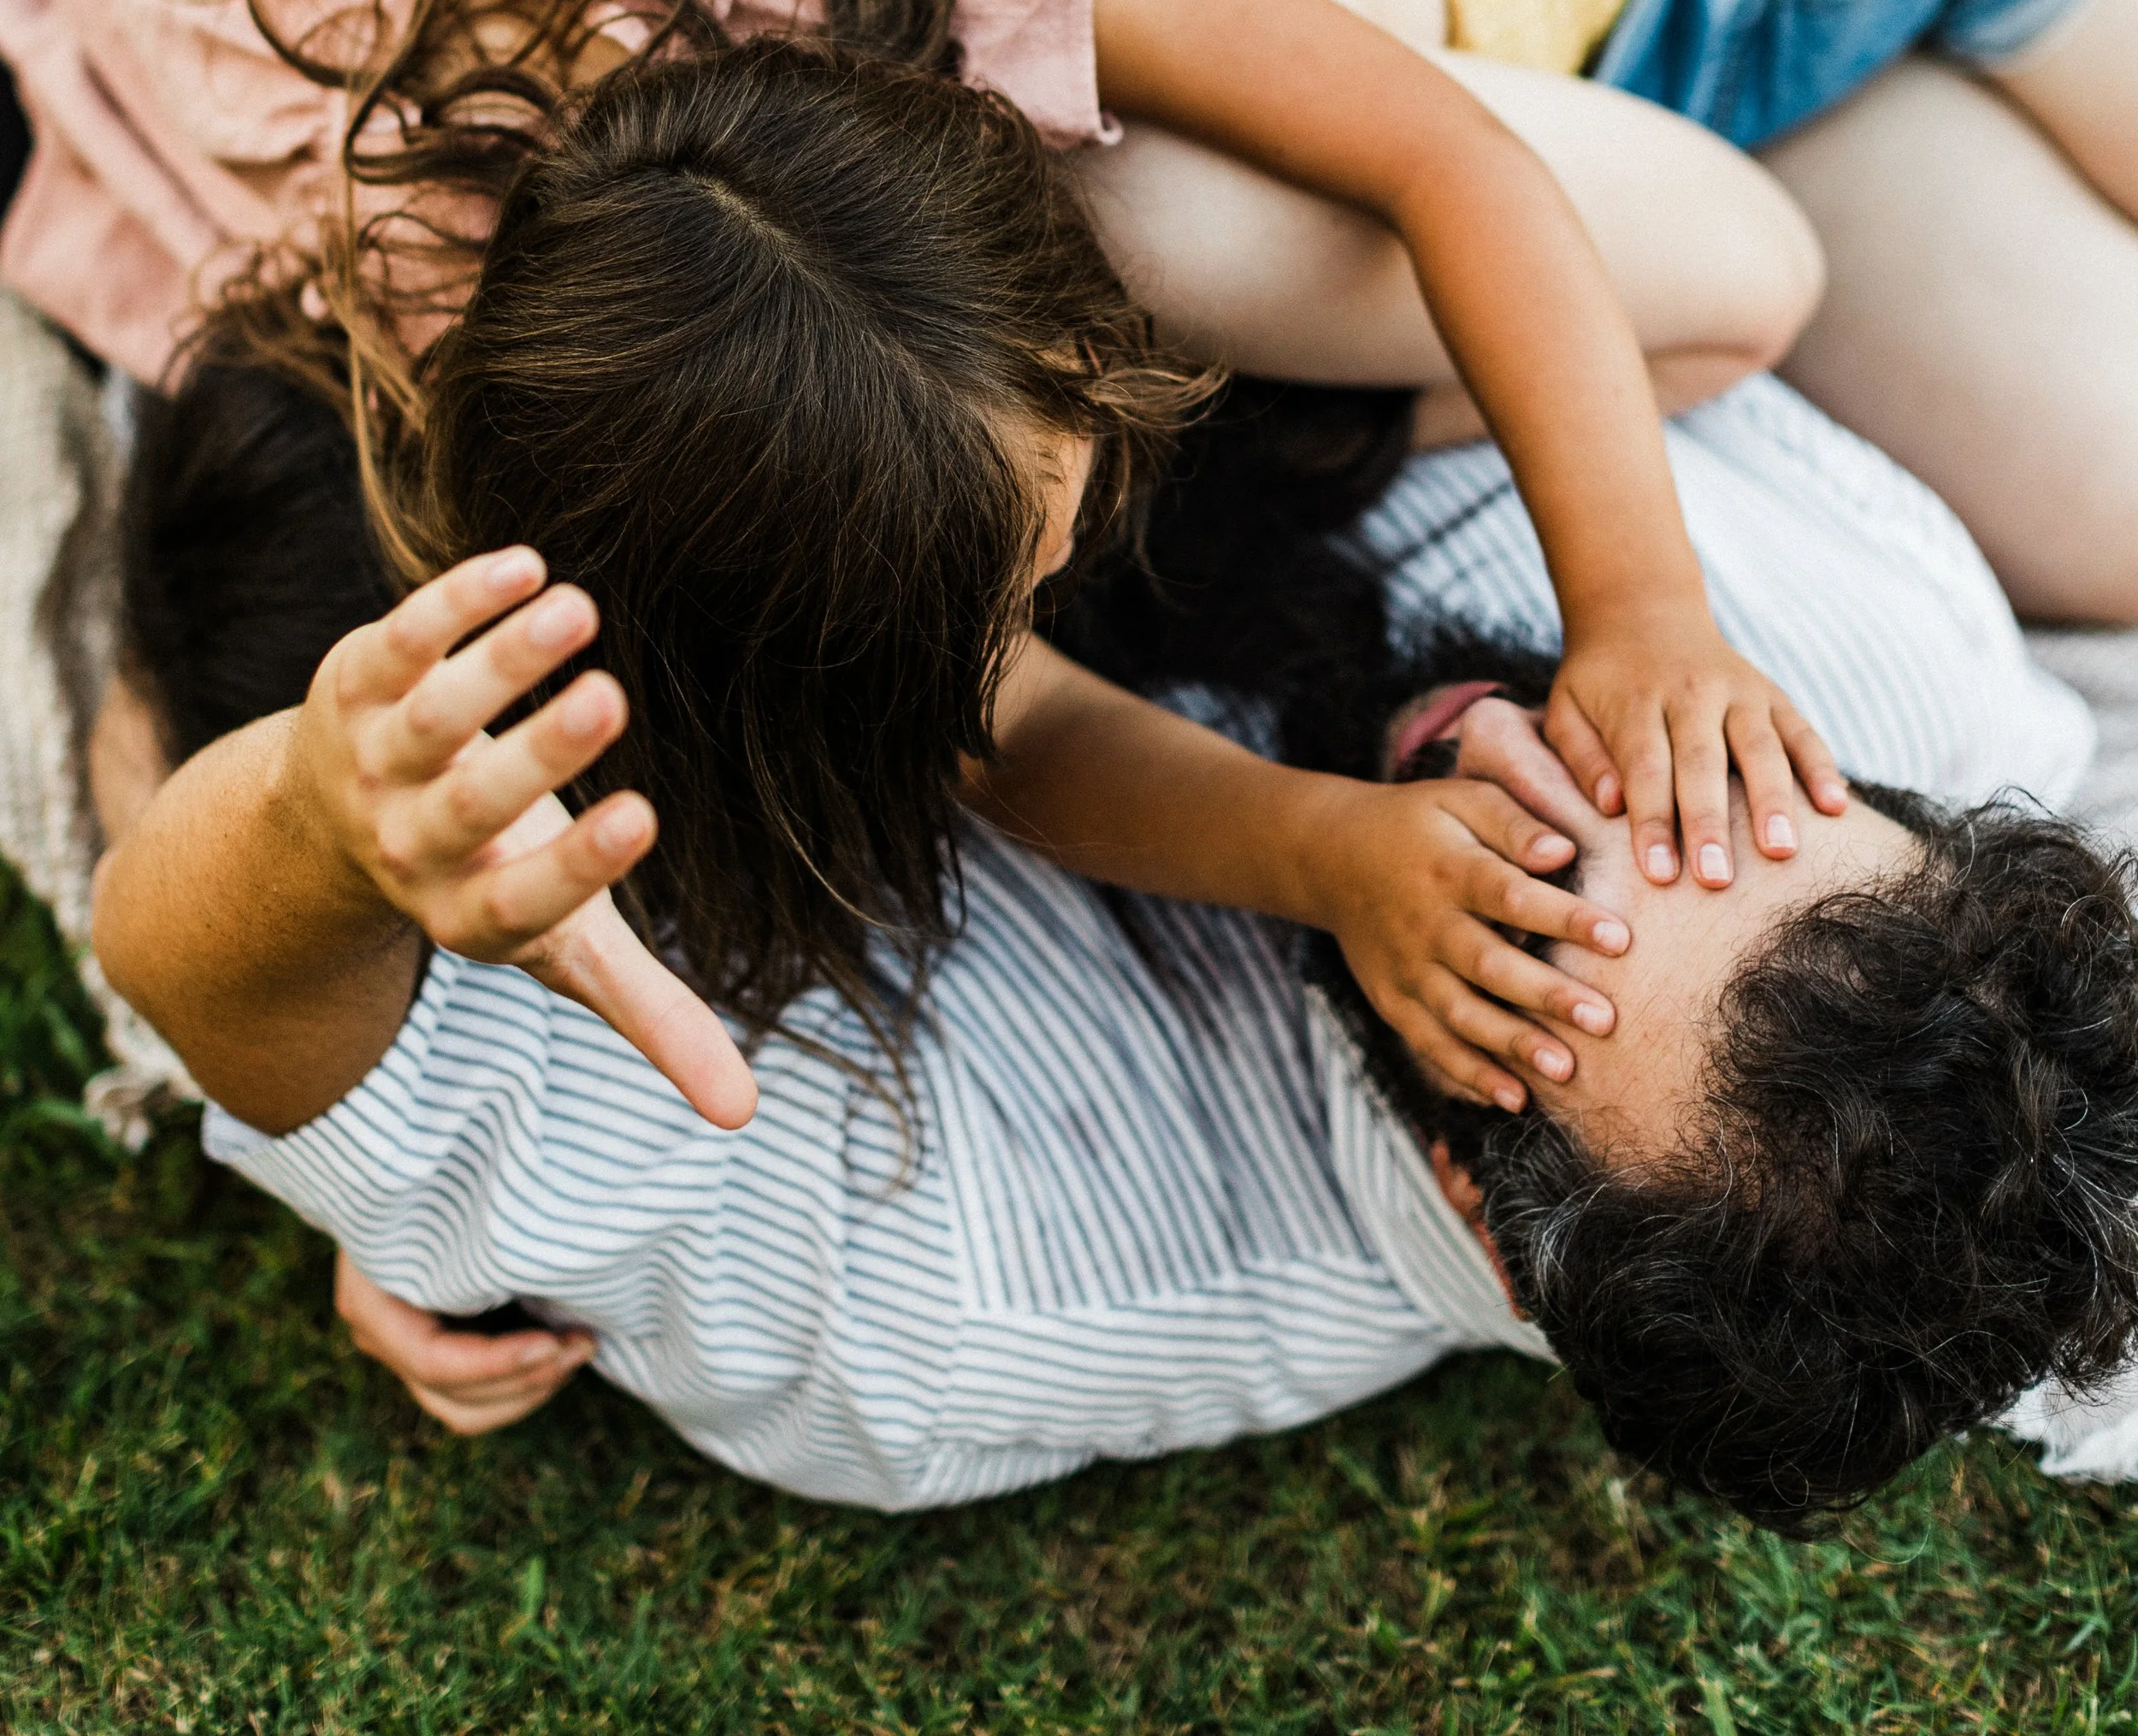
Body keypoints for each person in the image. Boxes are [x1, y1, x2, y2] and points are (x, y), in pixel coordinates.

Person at [0, 0, 1832, 1131]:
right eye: (996, 587)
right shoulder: (430, 369)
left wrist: (1639, 604)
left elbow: (1439, 150)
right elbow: (994, 734)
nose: (1080, 555)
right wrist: (1321, 848)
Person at [90, 348, 2138, 1533]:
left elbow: (224, 985)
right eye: (1714, 789)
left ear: (1483, 1207)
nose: (1526, 736)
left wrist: (306, 823)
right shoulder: (1892, 676)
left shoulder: (945, 1287)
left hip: (312, 410)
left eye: (1534, 896)